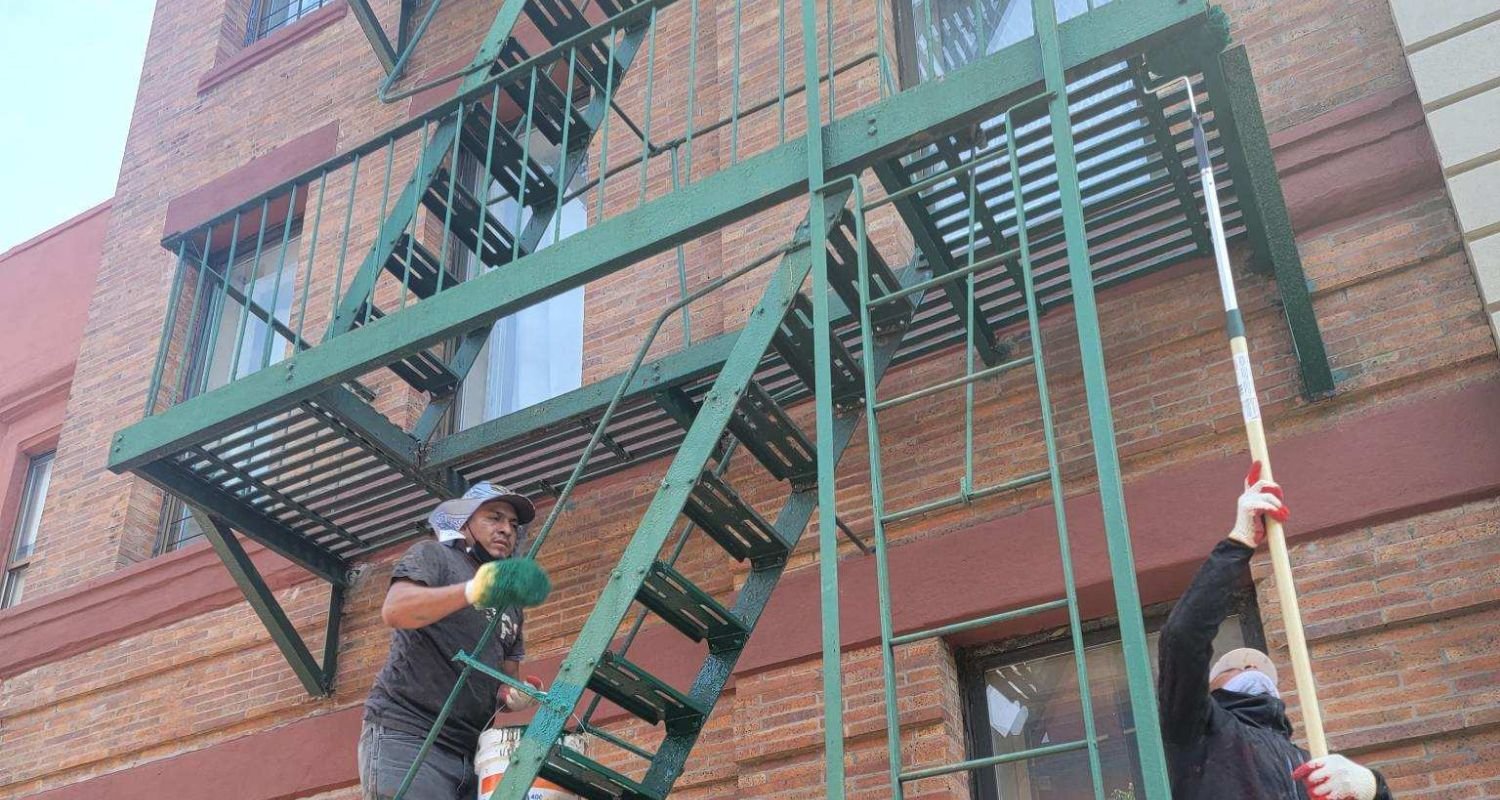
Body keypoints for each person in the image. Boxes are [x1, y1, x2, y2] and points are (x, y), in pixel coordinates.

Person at [1158, 462, 1393, 800]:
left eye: (1260, 666)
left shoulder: (1310, 763)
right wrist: (1239, 542)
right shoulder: (1199, 730)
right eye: (1234, 666)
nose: (1252, 666)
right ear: (1209, 688)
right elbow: (1183, 637)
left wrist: (1372, 787)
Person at [359, 482, 552, 800]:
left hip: (474, 751)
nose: (506, 529)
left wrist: (516, 695)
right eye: (494, 518)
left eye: (513, 525)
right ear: (465, 523)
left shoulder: (510, 603)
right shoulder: (434, 555)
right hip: (410, 734)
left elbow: (503, 683)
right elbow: (396, 609)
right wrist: (472, 591)